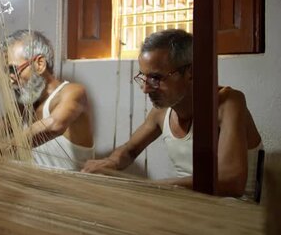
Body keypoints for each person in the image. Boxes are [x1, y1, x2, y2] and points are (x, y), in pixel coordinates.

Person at [82, 29, 263, 198]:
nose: (145, 89)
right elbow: (129, 151)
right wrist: (111, 162)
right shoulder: (161, 113)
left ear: (191, 72)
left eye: (155, 78)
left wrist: (158, 186)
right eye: (143, 78)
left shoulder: (229, 103)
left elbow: (231, 181)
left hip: (237, 216)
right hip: (191, 208)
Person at [3, 29, 94, 170]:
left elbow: (54, 125)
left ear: (39, 64)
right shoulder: (23, 107)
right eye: (6, 72)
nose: (10, 79)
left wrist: (0, 151)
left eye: (13, 70)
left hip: (70, 191)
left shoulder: (74, 92)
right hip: (35, 189)